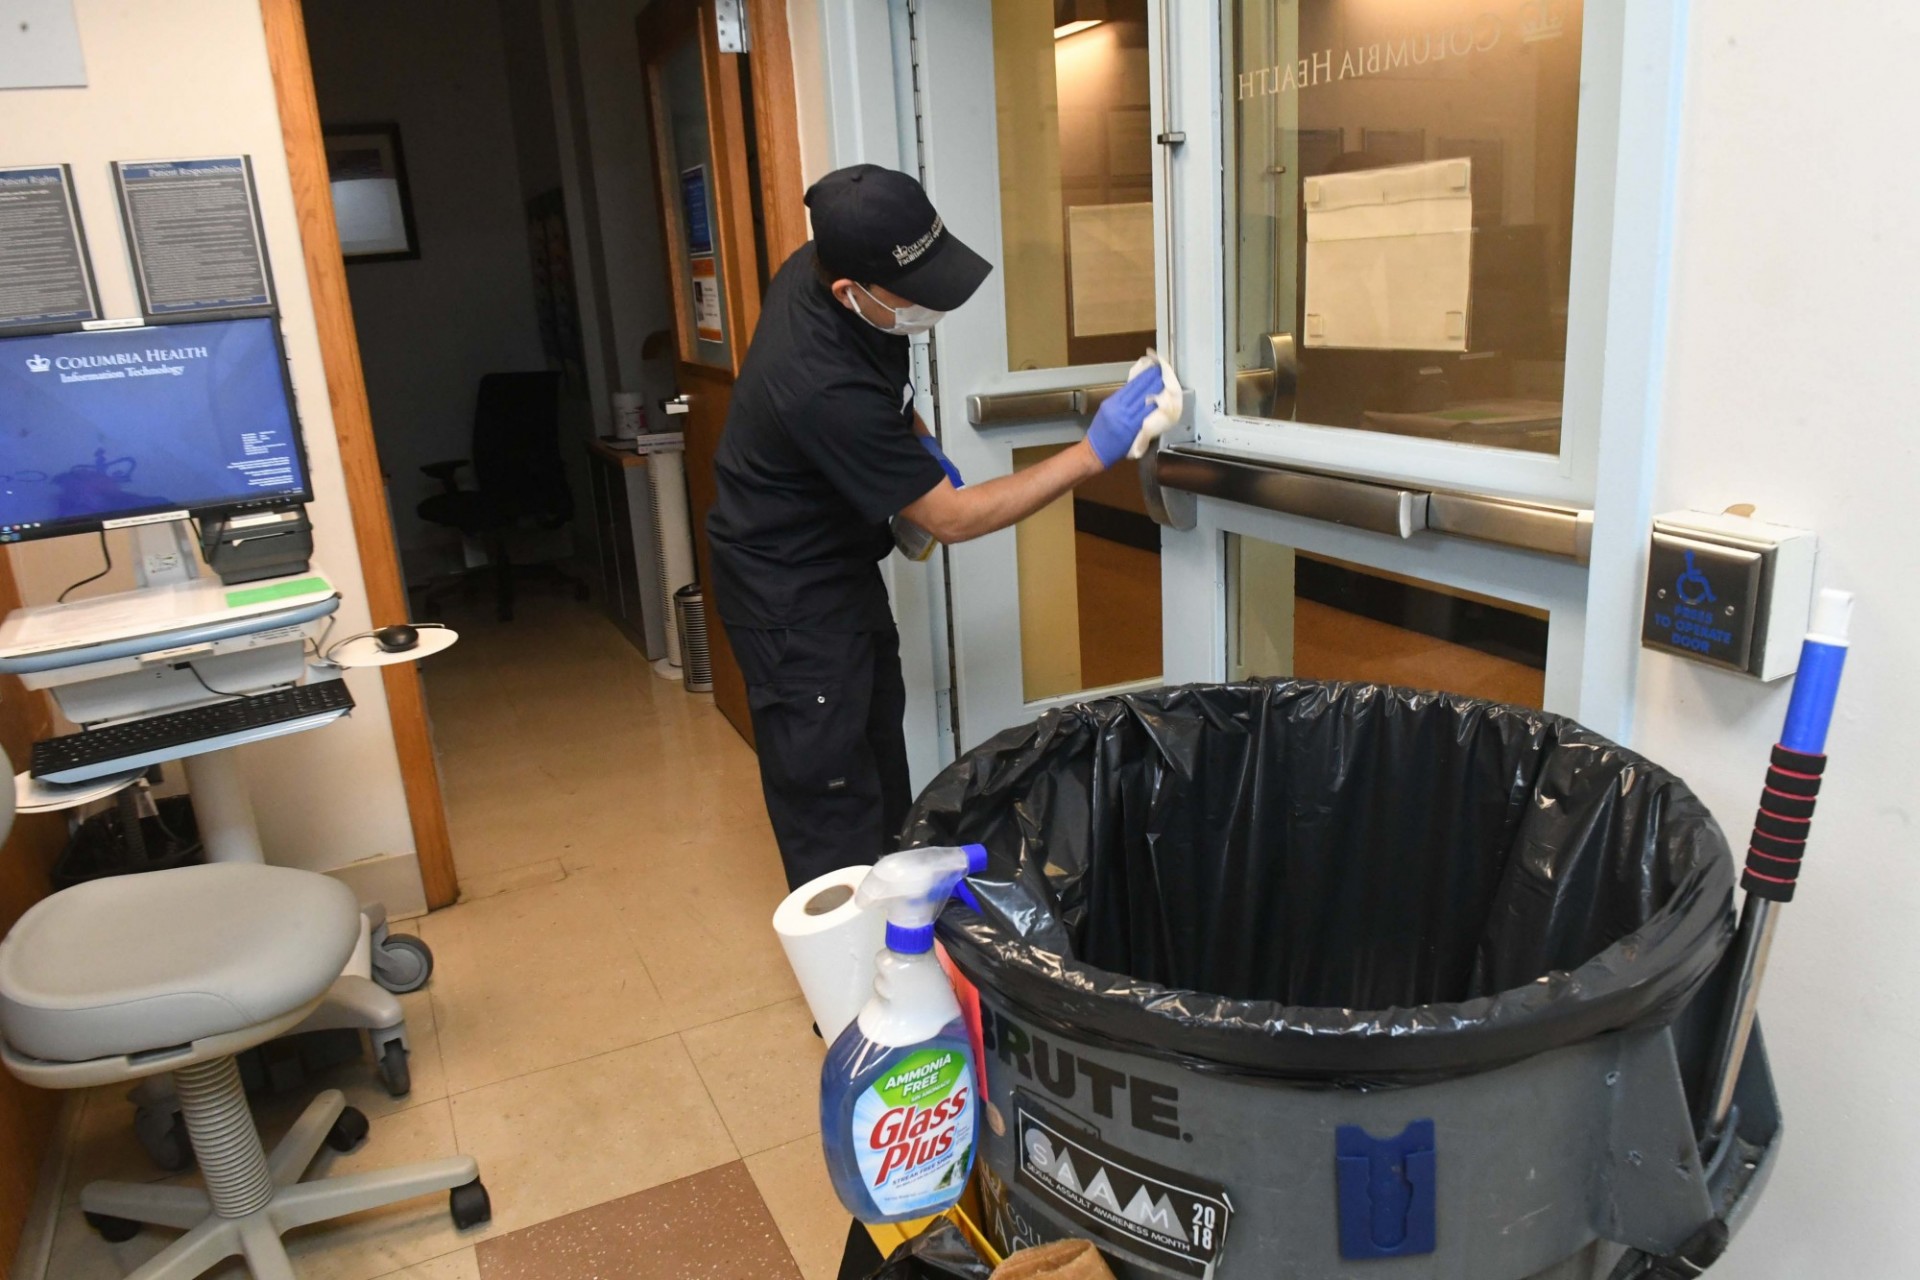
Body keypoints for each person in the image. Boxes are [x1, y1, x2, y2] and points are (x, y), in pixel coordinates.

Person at [707, 164, 1164, 892]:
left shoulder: (831, 265)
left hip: (837, 565)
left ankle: (900, 938)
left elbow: (886, 386)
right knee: (830, 800)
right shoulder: (817, 380)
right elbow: (947, 521)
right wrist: (1089, 454)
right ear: (848, 293)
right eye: (913, 296)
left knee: (880, 757)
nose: (930, 306)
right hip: (785, 596)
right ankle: (852, 998)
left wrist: (911, 443)